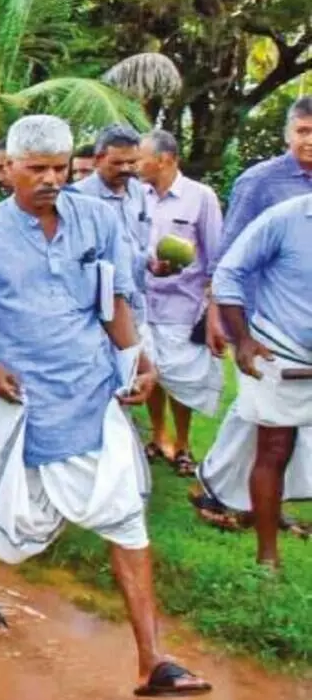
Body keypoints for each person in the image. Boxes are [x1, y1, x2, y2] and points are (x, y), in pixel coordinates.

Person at [0, 114, 210, 698]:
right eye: (36, 168)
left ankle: (153, 660)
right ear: (7, 167)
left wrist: (137, 359)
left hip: (89, 393)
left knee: (124, 516)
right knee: (1, 505)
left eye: (60, 168)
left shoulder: (97, 219)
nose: (49, 179)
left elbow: (112, 297)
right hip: (15, 399)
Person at [197, 193, 312, 569]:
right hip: (280, 350)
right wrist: (243, 339)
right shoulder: (285, 217)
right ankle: (268, 557)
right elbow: (230, 272)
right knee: (274, 448)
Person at [138, 129, 223, 474]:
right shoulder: (137, 196)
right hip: (144, 301)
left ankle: (184, 444)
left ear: (165, 159)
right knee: (151, 371)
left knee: (183, 379)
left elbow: (216, 253)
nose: (135, 164)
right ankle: (159, 435)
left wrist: (214, 306)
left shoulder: (201, 197)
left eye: (141, 157)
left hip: (182, 305)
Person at [205, 96, 312, 355]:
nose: (310, 140)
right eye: (303, 131)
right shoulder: (259, 182)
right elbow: (227, 258)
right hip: (269, 329)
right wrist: (213, 314)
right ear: (288, 135)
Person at [72, 125, 153, 342]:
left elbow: (142, 244)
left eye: (132, 162)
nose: (125, 168)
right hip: (96, 316)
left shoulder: (138, 191)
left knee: (140, 372)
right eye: (117, 163)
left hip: (135, 307)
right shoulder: (78, 198)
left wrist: (152, 263)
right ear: (98, 159)